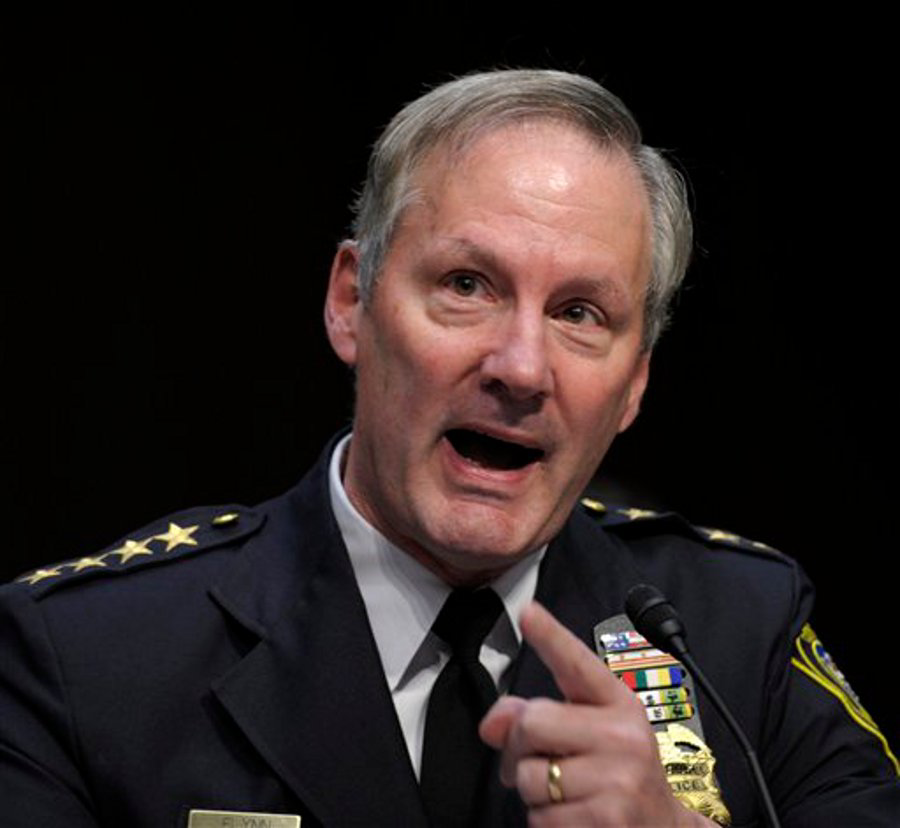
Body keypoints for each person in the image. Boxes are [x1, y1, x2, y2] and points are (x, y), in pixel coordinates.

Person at [1, 69, 896, 827]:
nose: (522, 367)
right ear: (351, 303)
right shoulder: (81, 658)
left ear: (634, 384)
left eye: (580, 313)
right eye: (467, 285)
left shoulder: (744, 635)